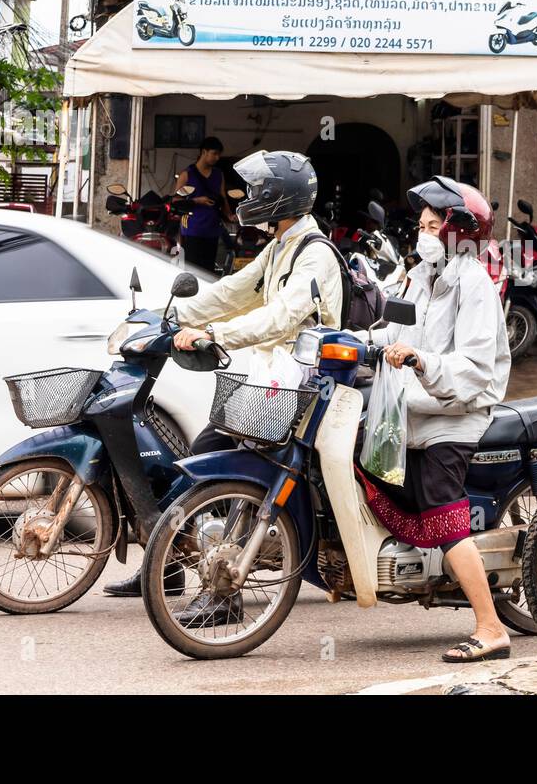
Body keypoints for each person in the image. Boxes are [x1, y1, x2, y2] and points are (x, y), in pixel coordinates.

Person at [102, 150, 343, 601]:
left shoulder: (315, 256)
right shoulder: (281, 246)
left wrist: (210, 334)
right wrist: (165, 316)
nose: (247, 198)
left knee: (232, 471)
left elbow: (282, 320)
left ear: (279, 198)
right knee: (204, 453)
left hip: (303, 390)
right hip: (272, 384)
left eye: (256, 191)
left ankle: (225, 593)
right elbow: (231, 294)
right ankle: (168, 564)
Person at [361, 176, 512, 663]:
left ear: (457, 231)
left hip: (457, 415)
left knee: (439, 506)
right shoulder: (421, 277)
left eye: (432, 224)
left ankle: (491, 629)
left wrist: (422, 361)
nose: (422, 231)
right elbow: (393, 328)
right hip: (416, 410)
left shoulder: (475, 285)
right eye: (422, 223)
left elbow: (472, 371)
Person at [175, 137, 229, 272]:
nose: (217, 157)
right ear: (204, 152)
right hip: (192, 229)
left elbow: (223, 196)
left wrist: (229, 214)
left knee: (209, 270)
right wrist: (196, 201)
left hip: (212, 229)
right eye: (214, 153)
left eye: (219, 154)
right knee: (192, 270)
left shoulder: (218, 174)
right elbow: (175, 201)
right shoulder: (187, 174)